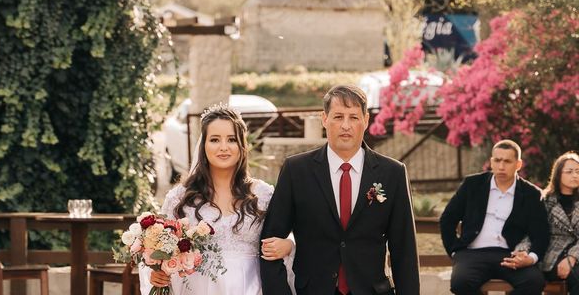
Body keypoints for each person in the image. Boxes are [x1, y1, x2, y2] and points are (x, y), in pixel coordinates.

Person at [260, 84, 420, 295]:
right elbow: (268, 245)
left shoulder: (392, 173)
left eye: (353, 117)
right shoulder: (296, 171)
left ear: (366, 121)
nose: (346, 125)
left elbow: (404, 251)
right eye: (338, 117)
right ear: (324, 119)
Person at [139, 105, 293, 295]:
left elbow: (293, 235)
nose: (223, 147)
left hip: (251, 287)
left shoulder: (263, 194)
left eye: (231, 139)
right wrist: (155, 274)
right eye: (214, 140)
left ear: (242, 146)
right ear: (203, 146)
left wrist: (289, 245)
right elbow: (157, 248)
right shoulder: (180, 198)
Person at [439, 139, 550, 295]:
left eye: (507, 161)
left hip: (510, 255)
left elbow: (541, 234)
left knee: (534, 282)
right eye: (497, 160)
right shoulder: (472, 185)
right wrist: (454, 251)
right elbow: (447, 219)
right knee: (460, 283)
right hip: (472, 254)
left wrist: (530, 258)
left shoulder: (531, 194)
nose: (501, 166)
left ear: (518, 165)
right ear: (491, 162)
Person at [539, 151, 579, 294]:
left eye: (577, 171)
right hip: (553, 255)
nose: (575, 175)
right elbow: (536, 232)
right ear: (558, 175)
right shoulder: (545, 201)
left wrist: (573, 256)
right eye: (569, 172)